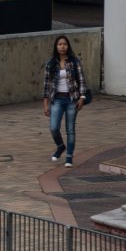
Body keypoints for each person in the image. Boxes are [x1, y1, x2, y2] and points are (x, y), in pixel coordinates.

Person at [42, 35, 88, 168]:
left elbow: (82, 80)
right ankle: (60, 146)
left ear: (68, 46)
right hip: (56, 99)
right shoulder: (50, 64)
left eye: (65, 44)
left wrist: (82, 98)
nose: (62, 47)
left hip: (72, 99)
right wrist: (45, 104)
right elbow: (46, 85)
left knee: (70, 129)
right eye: (60, 44)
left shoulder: (74, 62)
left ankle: (69, 157)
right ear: (56, 47)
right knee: (53, 127)